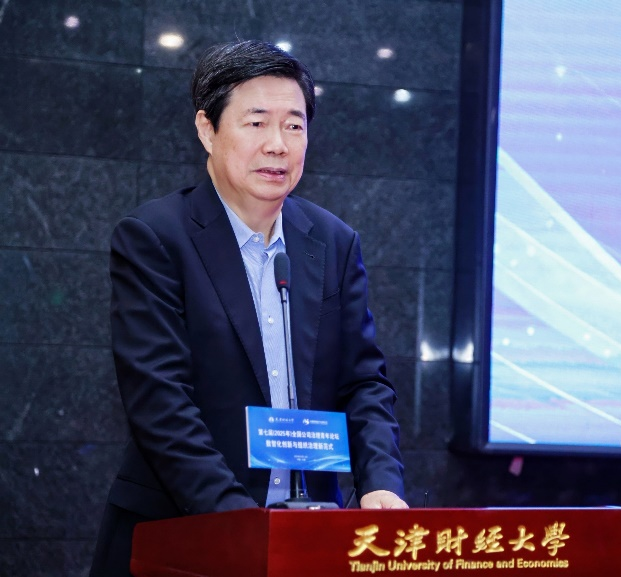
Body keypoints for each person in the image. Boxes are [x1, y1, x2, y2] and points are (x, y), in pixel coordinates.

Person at [90, 40, 407, 577]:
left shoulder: (332, 242)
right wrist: (241, 526)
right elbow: (160, 401)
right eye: (257, 123)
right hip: (183, 537)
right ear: (207, 129)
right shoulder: (156, 237)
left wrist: (380, 484)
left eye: (294, 126)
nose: (277, 145)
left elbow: (364, 383)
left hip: (310, 540)